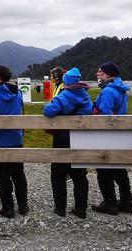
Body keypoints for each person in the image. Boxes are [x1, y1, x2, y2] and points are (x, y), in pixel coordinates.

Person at [43, 67, 93, 218]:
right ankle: (81, 208)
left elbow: (49, 111)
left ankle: (60, 208)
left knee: (58, 172)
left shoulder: (65, 96)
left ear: (65, 81)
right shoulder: (85, 95)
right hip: (80, 137)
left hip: (63, 137)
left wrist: (46, 106)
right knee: (79, 174)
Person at [0, 65, 28, 218]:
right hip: (16, 139)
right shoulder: (18, 94)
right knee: (18, 173)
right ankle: (23, 205)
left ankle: (8, 208)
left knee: (2, 175)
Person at [91, 61, 132, 215]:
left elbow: (105, 115)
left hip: (107, 132)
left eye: (100, 71)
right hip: (119, 132)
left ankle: (109, 203)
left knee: (103, 169)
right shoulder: (120, 89)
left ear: (108, 74)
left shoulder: (108, 91)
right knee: (119, 168)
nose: (97, 74)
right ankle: (126, 202)